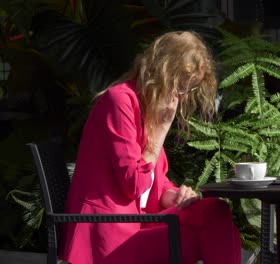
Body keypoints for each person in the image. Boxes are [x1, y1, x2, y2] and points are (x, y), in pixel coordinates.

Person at [61, 31, 241, 264]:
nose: (183, 97)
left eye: (188, 90)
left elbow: (154, 184)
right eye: (181, 87)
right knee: (199, 238)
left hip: (138, 222)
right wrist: (158, 135)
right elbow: (134, 183)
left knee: (214, 210)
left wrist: (174, 195)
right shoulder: (119, 101)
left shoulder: (147, 108)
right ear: (163, 74)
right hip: (109, 239)